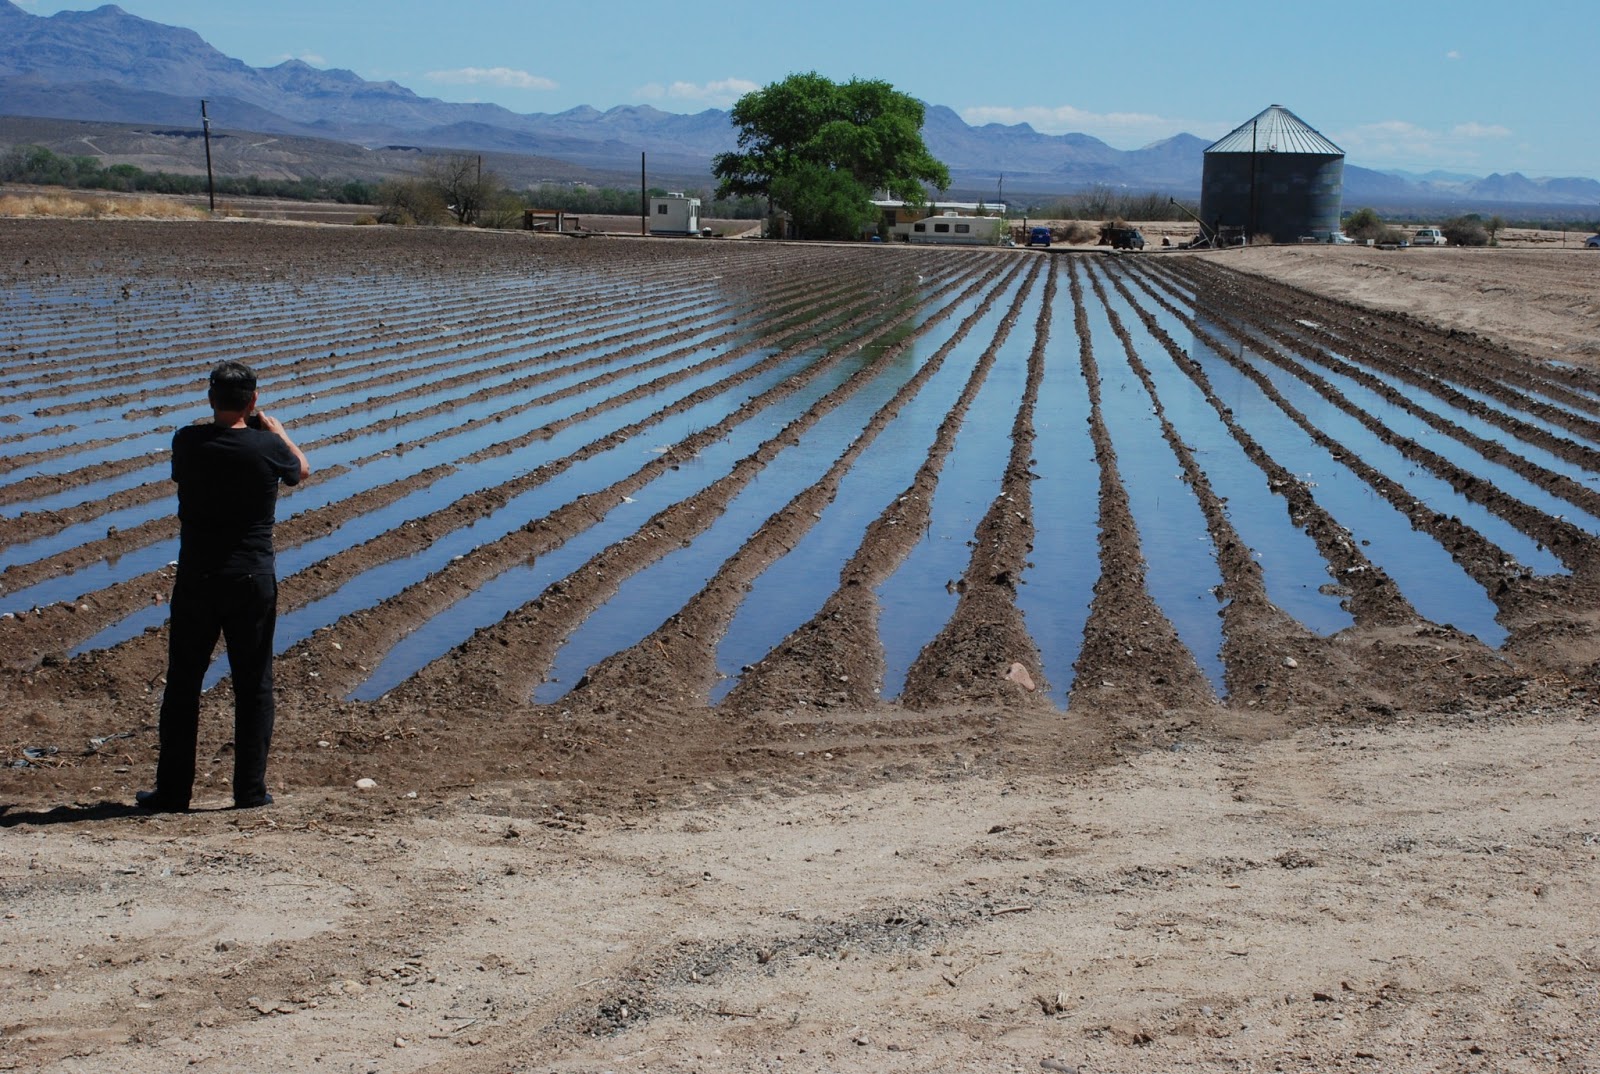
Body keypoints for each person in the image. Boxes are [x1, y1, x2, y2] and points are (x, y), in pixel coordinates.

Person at [136, 361, 310, 812]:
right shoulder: (268, 446)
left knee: (183, 684)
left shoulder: (188, 441)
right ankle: (249, 791)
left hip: (197, 577)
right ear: (253, 401)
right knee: (253, 685)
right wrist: (277, 430)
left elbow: (188, 470)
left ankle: (173, 793)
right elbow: (301, 471)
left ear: (210, 399)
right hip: (251, 578)